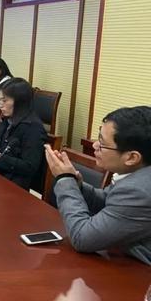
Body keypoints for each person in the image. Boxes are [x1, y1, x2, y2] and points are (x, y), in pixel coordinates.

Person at [45, 106, 151, 265]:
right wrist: (77, 185)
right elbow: (109, 200)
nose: (95, 145)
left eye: (102, 143)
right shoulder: (139, 174)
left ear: (132, 158)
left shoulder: (139, 191)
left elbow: (82, 238)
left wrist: (65, 179)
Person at [0, 78, 46, 190]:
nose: (0, 105)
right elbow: (3, 150)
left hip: (14, 186)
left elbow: (30, 167)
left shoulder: (33, 128)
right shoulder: (7, 120)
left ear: (20, 102)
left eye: (4, 101)